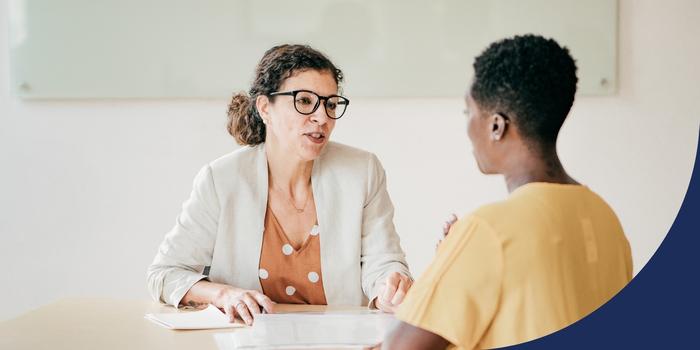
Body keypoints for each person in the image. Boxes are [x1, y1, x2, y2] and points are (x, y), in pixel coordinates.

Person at [381, 35, 633, 349]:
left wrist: (447, 265)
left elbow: (399, 346)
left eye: (468, 113)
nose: (467, 127)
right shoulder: (604, 217)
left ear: (496, 126)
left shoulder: (488, 230)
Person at [147, 44, 412, 325]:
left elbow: (384, 262)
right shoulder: (222, 179)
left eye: (331, 104)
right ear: (265, 108)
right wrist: (224, 295)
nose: (322, 117)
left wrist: (389, 288)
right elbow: (165, 273)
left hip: (340, 341)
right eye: (305, 101)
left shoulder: (362, 171)